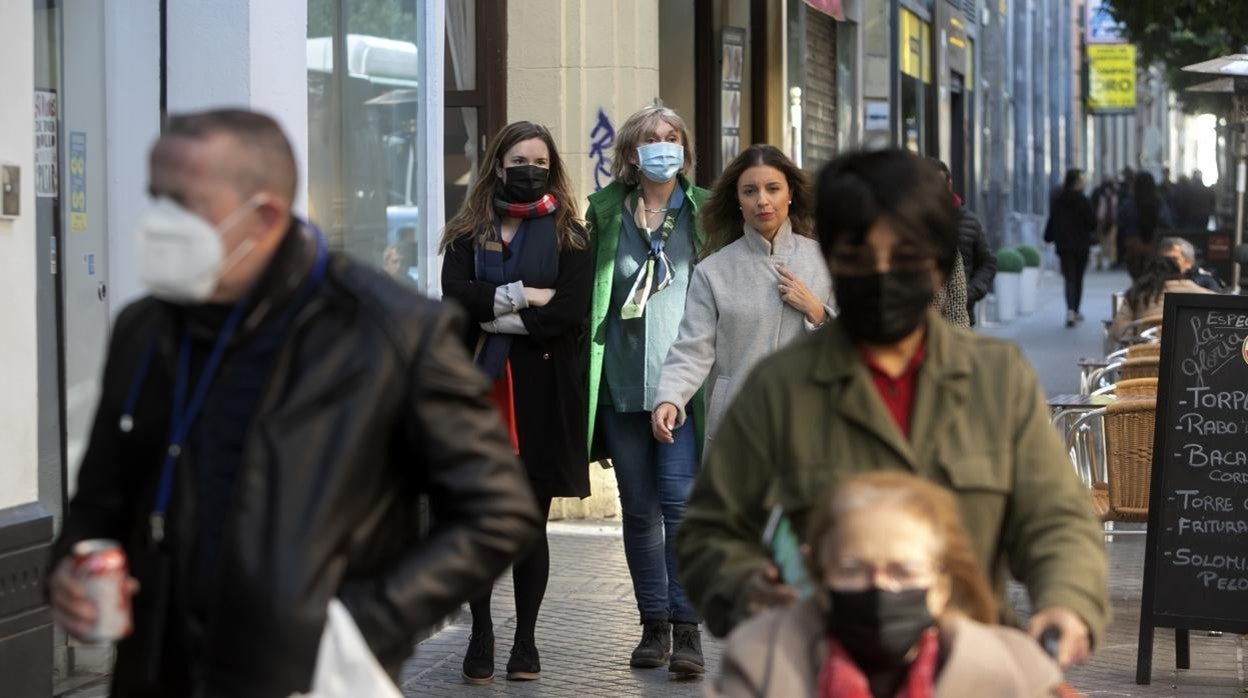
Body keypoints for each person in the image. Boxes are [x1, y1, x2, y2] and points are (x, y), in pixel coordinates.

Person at [46, 109, 542, 697]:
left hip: (308, 679)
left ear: (264, 216)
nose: (158, 221)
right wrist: (71, 564)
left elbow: (497, 512)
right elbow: (99, 499)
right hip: (158, 674)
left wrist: (363, 624)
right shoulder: (145, 329)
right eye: (156, 197)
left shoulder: (389, 332)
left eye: (183, 202)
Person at [676, 149, 1108, 670]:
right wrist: (750, 591)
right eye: (860, 255)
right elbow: (708, 532)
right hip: (817, 665)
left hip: (963, 664)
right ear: (833, 258)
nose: (881, 273)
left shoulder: (995, 381)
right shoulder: (780, 388)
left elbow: (1056, 518)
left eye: (901, 254)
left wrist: (1066, 603)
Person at [439, 121, 593, 684]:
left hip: (541, 398)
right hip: (477, 395)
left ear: (551, 169)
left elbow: (567, 316)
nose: (529, 169)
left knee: (529, 527)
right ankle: (481, 631)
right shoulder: (466, 233)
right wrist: (525, 296)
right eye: (518, 159)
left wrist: (494, 310)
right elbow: (455, 299)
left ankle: (525, 640)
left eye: (539, 161)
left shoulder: (570, 235)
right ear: (498, 165)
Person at [712, 471, 1068, 697]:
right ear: (821, 580)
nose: (880, 587)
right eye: (852, 569)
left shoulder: (1022, 675)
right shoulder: (757, 665)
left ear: (941, 585)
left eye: (904, 570)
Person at [584, 102, 710, 675]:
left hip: (681, 384)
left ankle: (688, 631)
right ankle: (652, 626)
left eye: (673, 136)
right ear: (632, 152)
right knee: (639, 511)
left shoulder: (707, 211)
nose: (664, 145)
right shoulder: (606, 211)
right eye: (653, 138)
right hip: (621, 385)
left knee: (681, 507)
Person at [651, 144, 833, 451]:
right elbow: (693, 347)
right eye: (750, 191)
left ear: (790, 194)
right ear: (737, 199)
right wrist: (670, 397)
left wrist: (817, 313)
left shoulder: (825, 261)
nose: (762, 200)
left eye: (773, 188)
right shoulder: (714, 271)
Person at [929, 159, 996, 324]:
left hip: (958, 319)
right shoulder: (908, 222)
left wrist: (969, 293)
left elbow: (988, 263)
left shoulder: (969, 221)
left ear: (949, 184)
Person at [1108, 255, 1213, 342]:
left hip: (1144, 353)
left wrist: (1136, 334)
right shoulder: (1191, 288)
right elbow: (1218, 303)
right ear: (1177, 271)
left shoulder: (1136, 292)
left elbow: (1118, 330)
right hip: (1183, 351)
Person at [1044, 169, 1097, 328]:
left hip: (1065, 246)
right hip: (1081, 246)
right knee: (1078, 278)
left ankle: (1070, 310)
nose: (1084, 182)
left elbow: (1053, 220)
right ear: (1076, 182)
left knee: (1069, 278)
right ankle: (1075, 309)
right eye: (1082, 180)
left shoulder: (1059, 199)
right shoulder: (1083, 200)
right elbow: (1092, 223)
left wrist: (1049, 235)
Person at [1118, 171, 1174, 280]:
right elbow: (1168, 224)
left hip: (1133, 247)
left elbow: (1121, 223)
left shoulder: (1129, 204)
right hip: (1154, 246)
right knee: (1153, 279)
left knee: (1137, 279)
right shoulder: (1159, 203)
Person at [1158, 236, 1224, 292]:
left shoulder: (1205, 283)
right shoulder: (1152, 285)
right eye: (1163, 260)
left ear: (1189, 262)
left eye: (1174, 260)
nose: (1166, 264)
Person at [1091, 175, 1119, 269]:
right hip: (1100, 220)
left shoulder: (1115, 192)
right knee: (1100, 242)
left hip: (1112, 220)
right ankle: (1099, 261)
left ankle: (1112, 261)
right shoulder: (1098, 192)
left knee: (1112, 242)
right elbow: (1093, 205)